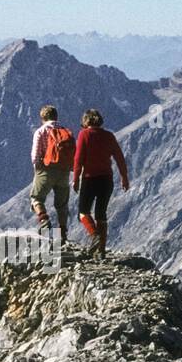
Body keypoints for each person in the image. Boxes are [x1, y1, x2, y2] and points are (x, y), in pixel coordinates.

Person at [72, 108, 129, 258]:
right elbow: (119, 158)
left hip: (89, 179)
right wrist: (124, 177)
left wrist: (76, 179)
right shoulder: (109, 136)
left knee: (83, 212)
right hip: (106, 180)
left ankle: (95, 235)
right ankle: (101, 251)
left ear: (85, 121)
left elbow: (78, 159)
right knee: (101, 214)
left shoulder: (84, 134)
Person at [29, 105, 74, 242]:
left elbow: (35, 155)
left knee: (36, 198)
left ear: (42, 118)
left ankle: (44, 220)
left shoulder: (41, 131)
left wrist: (38, 170)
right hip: (64, 171)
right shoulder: (66, 131)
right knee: (62, 204)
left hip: (46, 169)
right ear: (56, 116)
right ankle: (63, 234)